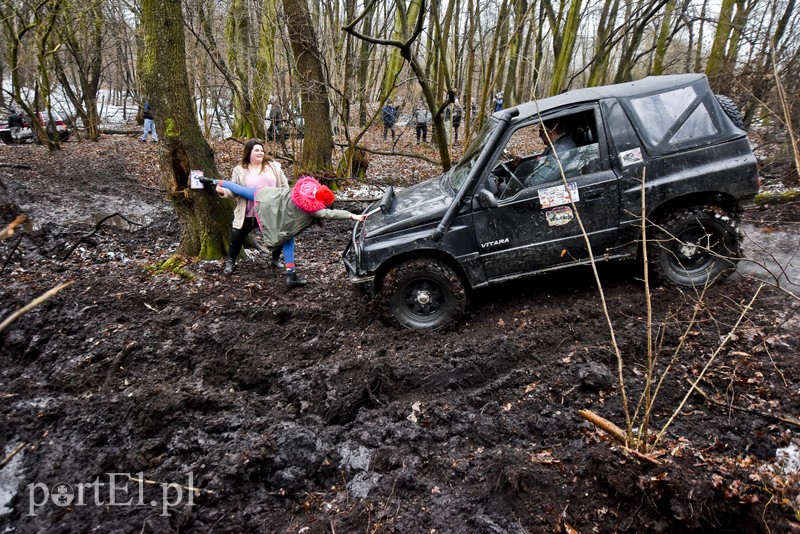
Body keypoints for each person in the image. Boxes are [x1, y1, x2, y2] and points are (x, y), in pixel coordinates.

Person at [201, 175, 367, 288]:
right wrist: (352, 215)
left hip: (266, 194)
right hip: (271, 209)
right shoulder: (313, 209)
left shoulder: (306, 187)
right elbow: (329, 214)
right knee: (287, 238)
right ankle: (291, 275)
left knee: (239, 189)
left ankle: (213, 181)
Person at [221, 139, 290, 276]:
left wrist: (284, 201)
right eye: (257, 150)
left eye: (262, 150)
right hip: (249, 212)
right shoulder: (240, 170)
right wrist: (224, 192)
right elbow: (234, 189)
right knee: (237, 236)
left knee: (279, 235)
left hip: (272, 210)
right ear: (249, 153)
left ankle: (275, 260)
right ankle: (230, 262)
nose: (260, 152)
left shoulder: (273, 167)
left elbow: (284, 186)